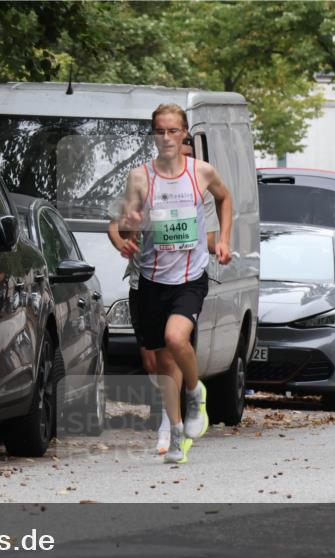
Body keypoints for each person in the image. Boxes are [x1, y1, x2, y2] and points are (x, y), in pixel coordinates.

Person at [109, 103, 233, 464]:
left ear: (184, 135)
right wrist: (125, 236)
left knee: (176, 338)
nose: (165, 138)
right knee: (163, 367)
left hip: (190, 278)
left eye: (173, 131)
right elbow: (119, 226)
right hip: (151, 280)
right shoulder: (139, 178)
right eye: (159, 131)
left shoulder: (202, 172)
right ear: (153, 135)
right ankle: (176, 434)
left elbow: (226, 200)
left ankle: (195, 394)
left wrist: (223, 239)